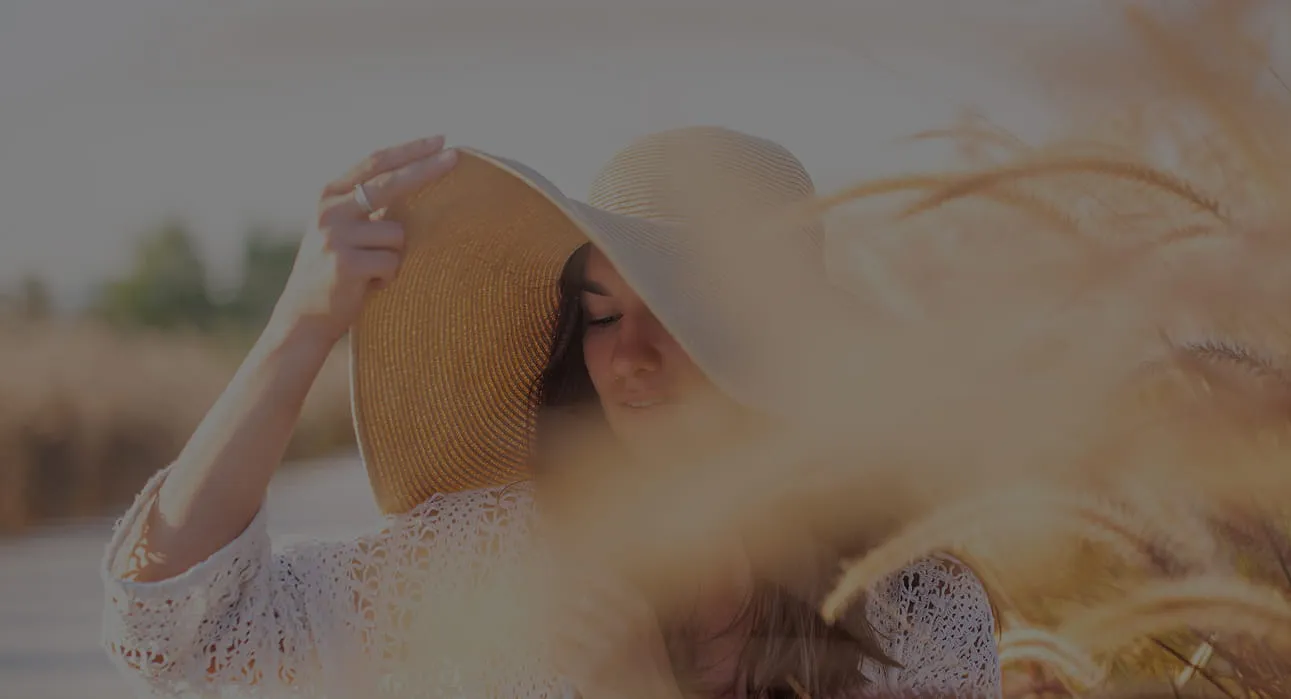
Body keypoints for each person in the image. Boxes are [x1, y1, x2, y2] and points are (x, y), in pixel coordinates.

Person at [100, 126, 1002, 698]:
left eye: (677, 313)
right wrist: (296, 333)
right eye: (601, 314)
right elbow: (181, 634)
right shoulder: (484, 565)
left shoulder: (920, 616)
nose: (627, 355)